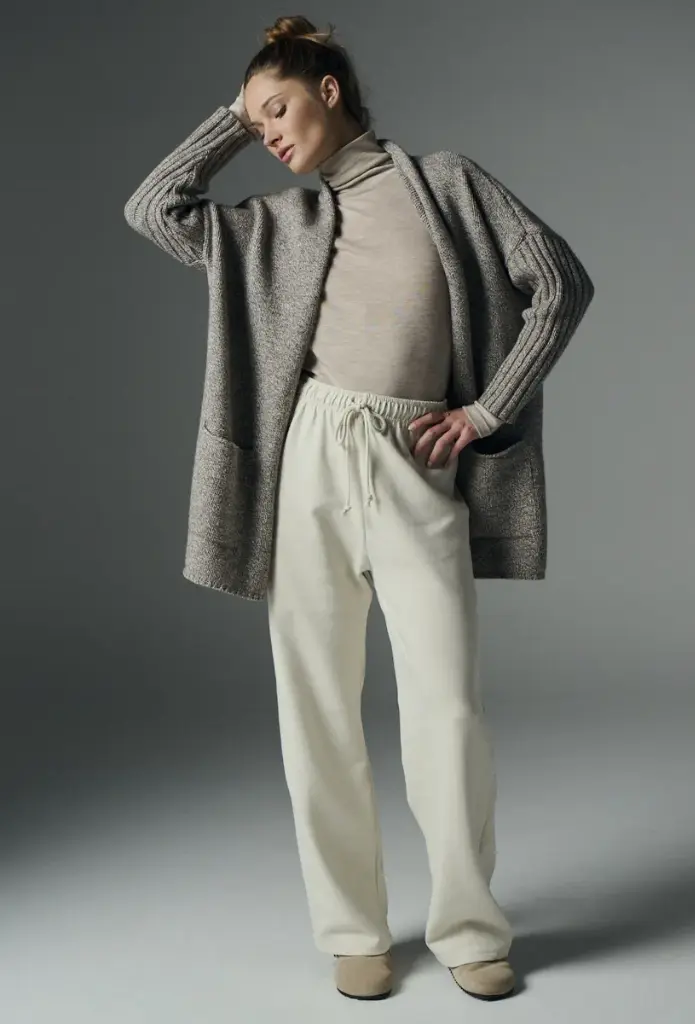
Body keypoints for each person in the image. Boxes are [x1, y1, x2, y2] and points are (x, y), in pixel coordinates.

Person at [123, 13, 594, 1002]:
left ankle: (469, 928)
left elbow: (559, 283)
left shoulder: (448, 185)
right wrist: (233, 113)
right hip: (310, 455)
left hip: (416, 455)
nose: (268, 134)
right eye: (256, 123)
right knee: (317, 706)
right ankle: (352, 929)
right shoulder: (279, 226)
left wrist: (487, 409)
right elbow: (155, 208)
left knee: (447, 708)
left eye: (279, 109)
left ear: (329, 90)